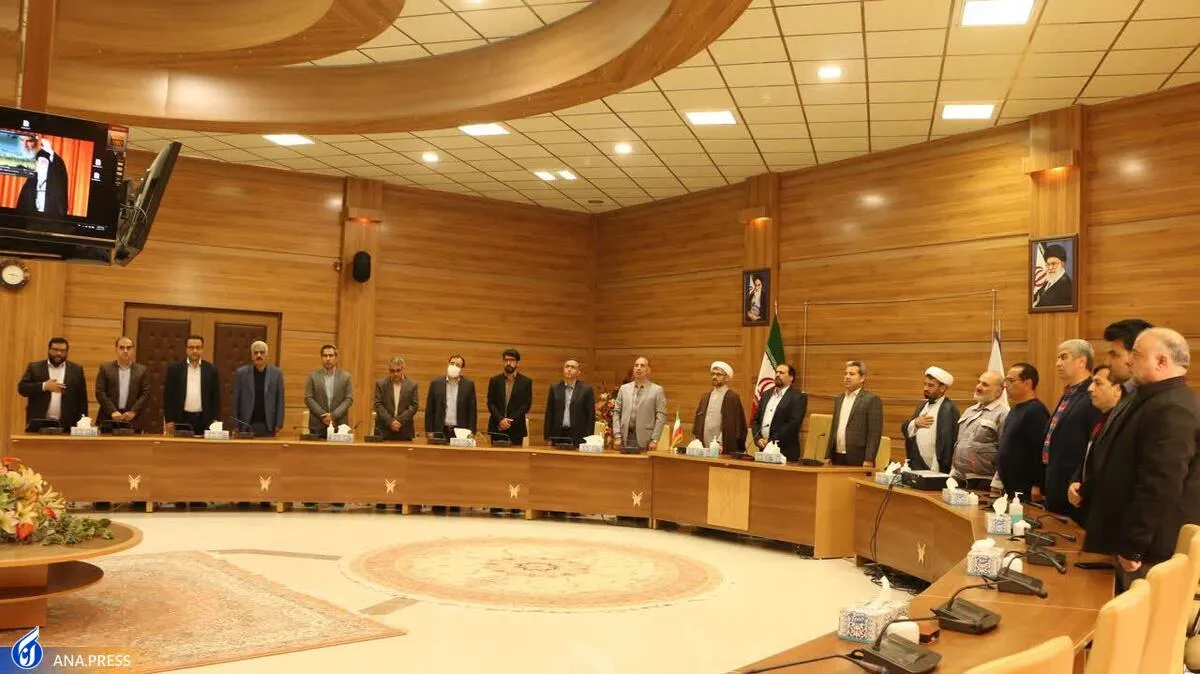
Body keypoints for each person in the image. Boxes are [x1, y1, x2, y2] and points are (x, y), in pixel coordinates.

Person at [1081, 328, 1200, 592]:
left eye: (1136, 354)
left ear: (1161, 361)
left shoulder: (1174, 407)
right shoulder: (1148, 397)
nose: (1128, 360)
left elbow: (1160, 483)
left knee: (1138, 615)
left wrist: (1134, 544)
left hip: (1150, 549)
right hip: (1133, 539)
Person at [1040, 339, 1099, 517]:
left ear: (1081, 361)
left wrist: (1080, 481)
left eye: (1064, 357)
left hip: (1073, 486)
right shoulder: (1069, 393)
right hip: (1054, 480)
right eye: (1057, 358)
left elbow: (1094, 444)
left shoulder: (1092, 395)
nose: (1058, 363)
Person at [1067, 365, 1126, 517]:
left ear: (1118, 390)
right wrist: (1075, 481)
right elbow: (1087, 457)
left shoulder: (1121, 424)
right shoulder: (1101, 418)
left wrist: (1083, 490)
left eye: (1098, 383)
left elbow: (1108, 468)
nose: (1090, 388)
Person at [995, 362, 1050, 499]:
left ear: (1027, 384)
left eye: (1011, 381)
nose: (1005, 385)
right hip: (1010, 485)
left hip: (1026, 487)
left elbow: (1039, 448)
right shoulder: (1015, 409)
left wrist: (1037, 484)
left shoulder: (1036, 410)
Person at [949, 371, 1008, 490]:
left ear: (998, 391)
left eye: (985, 384)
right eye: (978, 382)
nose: (978, 387)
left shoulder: (1003, 414)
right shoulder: (970, 411)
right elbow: (960, 444)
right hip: (959, 478)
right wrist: (953, 472)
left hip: (985, 481)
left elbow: (1005, 451)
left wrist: (998, 482)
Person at [17, 337, 88, 431]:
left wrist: (83, 422)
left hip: (67, 425)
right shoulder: (35, 367)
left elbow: (82, 399)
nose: (59, 353)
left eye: (62, 351)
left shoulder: (76, 370)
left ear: (67, 352)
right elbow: (22, 388)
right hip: (38, 423)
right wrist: (44, 386)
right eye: (55, 350)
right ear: (49, 350)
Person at [824, 360, 883, 467]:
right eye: (845, 374)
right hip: (837, 455)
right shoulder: (839, 399)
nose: (847, 377)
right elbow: (834, 429)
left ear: (862, 378)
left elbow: (874, 433)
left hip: (858, 457)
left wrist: (869, 459)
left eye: (851, 374)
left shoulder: (871, 399)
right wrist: (828, 455)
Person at [900, 366, 960, 472]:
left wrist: (938, 466)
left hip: (937, 466)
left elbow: (948, 442)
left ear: (942, 388)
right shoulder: (922, 406)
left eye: (930, 385)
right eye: (925, 384)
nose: (925, 388)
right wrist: (915, 423)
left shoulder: (949, 408)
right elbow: (905, 427)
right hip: (918, 462)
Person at [163, 334, 220, 434]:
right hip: (181, 419)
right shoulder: (175, 369)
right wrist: (169, 420)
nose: (195, 351)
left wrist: (215, 419)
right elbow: (168, 396)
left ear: (202, 349)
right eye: (191, 347)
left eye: (198, 348)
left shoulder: (211, 370)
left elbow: (215, 397)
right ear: (186, 349)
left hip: (204, 419)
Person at [751, 363, 807, 462]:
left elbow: (793, 424)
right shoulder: (766, 394)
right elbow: (756, 420)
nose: (777, 375)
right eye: (776, 372)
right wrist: (758, 439)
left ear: (791, 377)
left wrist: (771, 439)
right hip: (763, 448)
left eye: (781, 373)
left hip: (785, 451)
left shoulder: (797, 397)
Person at [95, 336, 150, 432]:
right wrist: (112, 411)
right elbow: (100, 392)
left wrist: (133, 412)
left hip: (133, 420)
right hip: (109, 418)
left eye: (128, 348)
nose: (125, 351)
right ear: (116, 349)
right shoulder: (105, 369)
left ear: (133, 350)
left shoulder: (142, 370)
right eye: (121, 347)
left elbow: (146, 393)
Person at [231, 340, 285, 437]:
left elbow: (280, 400)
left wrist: (279, 423)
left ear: (267, 356)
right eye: (255, 353)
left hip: (269, 425)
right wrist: (235, 424)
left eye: (262, 352)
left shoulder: (276, 374)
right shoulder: (241, 373)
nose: (259, 355)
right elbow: (235, 400)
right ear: (252, 356)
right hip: (246, 424)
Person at [691, 361, 747, 453]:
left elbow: (733, 425)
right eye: (713, 374)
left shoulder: (732, 397)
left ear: (727, 378)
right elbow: (698, 421)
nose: (714, 377)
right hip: (704, 443)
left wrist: (719, 443)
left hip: (722, 445)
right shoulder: (706, 396)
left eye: (718, 374)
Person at [613, 356, 667, 451]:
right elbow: (616, 412)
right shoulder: (624, 389)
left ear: (648, 370)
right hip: (624, 436)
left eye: (642, 366)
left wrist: (654, 440)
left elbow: (661, 416)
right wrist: (617, 435)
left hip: (646, 438)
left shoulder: (657, 390)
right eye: (636, 365)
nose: (638, 368)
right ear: (633, 369)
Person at [544, 358, 596, 448]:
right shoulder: (555, 388)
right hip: (558, 433)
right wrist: (547, 436)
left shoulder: (586, 390)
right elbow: (549, 413)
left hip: (578, 434)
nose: (569, 369)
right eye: (567, 366)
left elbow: (590, 416)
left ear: (578, 372)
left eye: (573, 367)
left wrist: (589, 438)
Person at [303, 344, 353, 435]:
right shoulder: (313, 377)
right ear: (321, 358)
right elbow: (308, 398)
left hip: (339, 425)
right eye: (325, 356)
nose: (328, 358)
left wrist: (333, 416)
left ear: (336, 358)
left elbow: (348, 398)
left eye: (331, 355)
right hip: (317, 424)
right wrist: (323, 415)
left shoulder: (345, 377)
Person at [487, 348, 533, 446]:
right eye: (506, 360)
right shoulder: (494, 380)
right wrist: (501, 420)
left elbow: (526, 405)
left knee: (515, 455)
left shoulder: (526, 382)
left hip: (516, 428)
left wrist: (509, 421)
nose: (508, 363)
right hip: (497, 427)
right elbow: (491, 403)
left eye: (512, 360)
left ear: (517, 363)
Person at [426, 354, 477, 438]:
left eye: (457, 365)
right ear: (448, 364)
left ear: (461, 369)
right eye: (452, 363)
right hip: (440, 429)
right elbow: (430, 409)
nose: (454, 366)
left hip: (461, 431)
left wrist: (471, 431)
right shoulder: (435, 384)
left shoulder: (469, 385)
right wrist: (429, 430)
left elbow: (472, 411)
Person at [16, 138, 69, 217]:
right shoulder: (30, 183)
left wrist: (50, 151)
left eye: (44, 162)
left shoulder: (55, 183)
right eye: (38, 162)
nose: (40, 165)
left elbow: (60, 171)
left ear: (49, 166)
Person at [374, 356, 418, 441]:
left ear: (403, 369)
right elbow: (378, 405)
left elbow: (414, 406)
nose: (395, 374)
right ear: (389, 370)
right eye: (392, 371)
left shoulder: (412, 385)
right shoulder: (381, 384)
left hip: (404, 429)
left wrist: (399, 421)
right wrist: (390, 422)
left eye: (398, 370)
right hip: (384, 429)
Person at [1033, 243, 1073, 308]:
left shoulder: (1065, 285)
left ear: (1062, 264)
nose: (1050, 268)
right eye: (1048, 264)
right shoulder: (1049, 281)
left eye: (1053, 264)